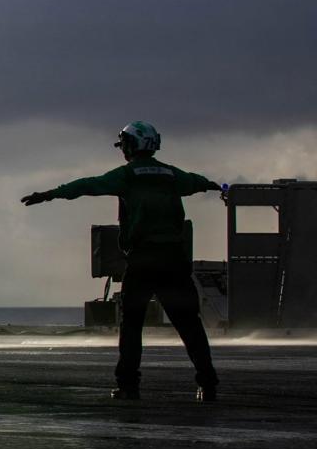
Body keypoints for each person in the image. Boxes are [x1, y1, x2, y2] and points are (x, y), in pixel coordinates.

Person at [21, 121, 222, 401]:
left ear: (131, 145)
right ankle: (208, 383)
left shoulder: (127, 175)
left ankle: (128, 386)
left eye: (124, 144)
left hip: (143, 260)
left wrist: (49, 194)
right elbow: (197, 182)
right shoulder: (172, 175)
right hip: (174, 260)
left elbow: (88, 185)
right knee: (189, 324)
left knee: (131, 325)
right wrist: (215, 186)